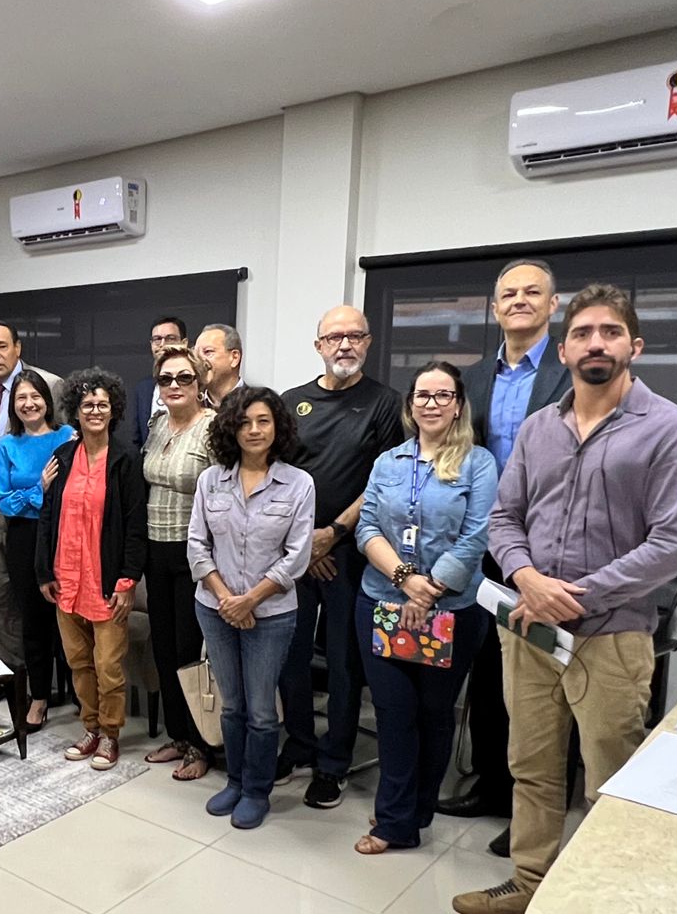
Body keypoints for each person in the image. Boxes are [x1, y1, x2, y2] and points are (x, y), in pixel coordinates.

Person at [453, 285, 677, 914]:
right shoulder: (539, 429)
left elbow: (674, 544)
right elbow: (504, 518)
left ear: (634, 346)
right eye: (585, 333)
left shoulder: (671, 428)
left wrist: (577, 596)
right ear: (563, 351)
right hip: (530, 629)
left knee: (608, 784)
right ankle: (530, 881)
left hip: (613, 635)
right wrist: (526, 577)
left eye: (611, 331)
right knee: (532, 766)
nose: (597, 343)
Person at [437, 259, 570, 836]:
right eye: (508, 294)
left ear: (553, 305)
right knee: (490, 674)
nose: (519, 300)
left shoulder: (572, 374)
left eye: (532, 292)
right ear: (494, 309)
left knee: (545, 681)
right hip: (487, 542)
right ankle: (493, 787)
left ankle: (537, 810)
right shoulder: (472, 380)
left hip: (553, 549)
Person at [353, 362, 497, 853]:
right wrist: (406, 581)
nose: (431, 403)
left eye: (442, 395)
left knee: (435, 714)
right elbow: (367, 527)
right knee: (394, 712)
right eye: (422, 395)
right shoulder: (389, 462)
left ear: (458, 405)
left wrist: (429, 590)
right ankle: (395, 820)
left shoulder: (478, 463)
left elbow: (477, 535)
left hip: (451, 610)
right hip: (383, 602)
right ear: (410, 404)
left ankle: (416, 809)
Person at [276, 306, 404, 809]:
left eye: (354, 336)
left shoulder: (386, 404)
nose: (344, 345)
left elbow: (382, 481)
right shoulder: (291, 402)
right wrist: (305, 544)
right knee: (291, 657)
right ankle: (299, 744)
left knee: (344, 663)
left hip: (354, 553)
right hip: (297, 552)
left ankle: (333, 762)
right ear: (319, 346)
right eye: (334, 337)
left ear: (368, 342)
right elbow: (277, 476)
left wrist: (333, 533)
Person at [187, 387, 315, 828]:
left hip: (271, 614)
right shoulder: (211, 480)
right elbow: (197, 545)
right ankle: (235, 781)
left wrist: (250, 600)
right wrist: (227, 599)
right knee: (232, 705)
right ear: (231, 429)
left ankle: (257, 790)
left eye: (263, 421)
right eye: (244, 422)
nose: (254, 430)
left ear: (278, 427)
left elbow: (297, 556)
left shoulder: (298, 484)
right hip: (215, 608)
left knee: (261, 710)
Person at [37, 368, 146, 771]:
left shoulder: (126, 460)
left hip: (107, 582)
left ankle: (111, 734)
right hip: (66, 580)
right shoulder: (63, 458)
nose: (95, 411)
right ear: (75, 411)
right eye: (87, 405)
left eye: (102, 404)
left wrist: (128, 579)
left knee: (108, 667)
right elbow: (48, 516)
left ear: (113, 410)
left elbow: (135, 525)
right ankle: (90, 728)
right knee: (79, 662)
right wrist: (44, 573)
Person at [0, 322, 61, 705]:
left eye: (1, 346)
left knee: (36, 598)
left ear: (17, 348)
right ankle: (10, 675)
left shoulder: (49, 384)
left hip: (40, 516)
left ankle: (41, 683)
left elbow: (59, 438)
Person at [140, 343, 215, 780]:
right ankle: (178, 735)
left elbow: (224, 494)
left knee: (190, 650)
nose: (174, 385)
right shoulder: (156, 425)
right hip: (156, 550)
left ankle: (202, 744)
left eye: (184, 377)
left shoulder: (213, 428)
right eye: (166, 378)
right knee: (164, 648)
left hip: (195, 554)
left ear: (200, 382)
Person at [0, 370, 76, 727]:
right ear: (13, 405)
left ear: (47, 400)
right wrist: (39, 489)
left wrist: (35, 497)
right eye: (21, 398)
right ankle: (39, 697)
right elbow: (3, 501)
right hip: (24, 538)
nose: (29, 404)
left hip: (65, 534)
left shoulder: (67, 436)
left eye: (35, 396)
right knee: (34, 621)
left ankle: (80, 696)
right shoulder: (7, 446)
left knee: (70, 618)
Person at [131, 316, 187, 446]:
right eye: (157, 339)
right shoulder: (143, 389)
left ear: (184, 343)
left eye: (170, 338)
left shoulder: (197, 384)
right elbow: (138, 440)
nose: (162, 344)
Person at [195, 324, 244, 405]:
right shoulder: (190, 407)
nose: (198, 360)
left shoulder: (257, 404)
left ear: (234, 358)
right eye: (195, 355)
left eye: (208, 352)